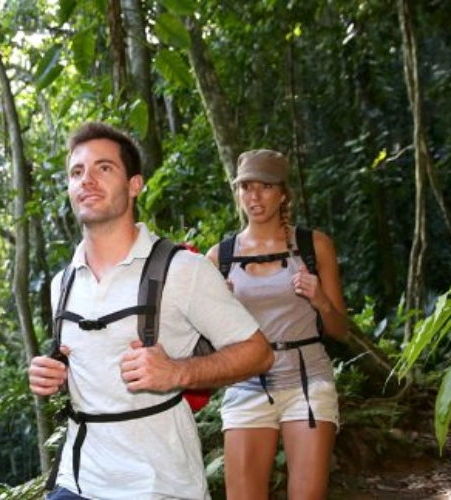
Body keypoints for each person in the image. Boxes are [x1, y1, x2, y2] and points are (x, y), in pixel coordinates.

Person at [28, 122, 274, 499]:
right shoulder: (62, 284)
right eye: (77, 172)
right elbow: (93, 367)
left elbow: (259, 353)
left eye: (103, 168)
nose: (87, 180)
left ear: (134, 185)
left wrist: (178, 371)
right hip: (78, 479)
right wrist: (55, 376)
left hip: (159, 483)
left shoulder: (182, 269)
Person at [205, 149, 349, 500]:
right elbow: (207, 345)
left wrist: (320, 300)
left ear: (283, 193)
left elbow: (340, 330)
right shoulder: (219, 257)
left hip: (307, 381)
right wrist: (219, 308)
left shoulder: (314, 246)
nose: (254, 196)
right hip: (246, 383)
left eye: (265, 186)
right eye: (246, 187)